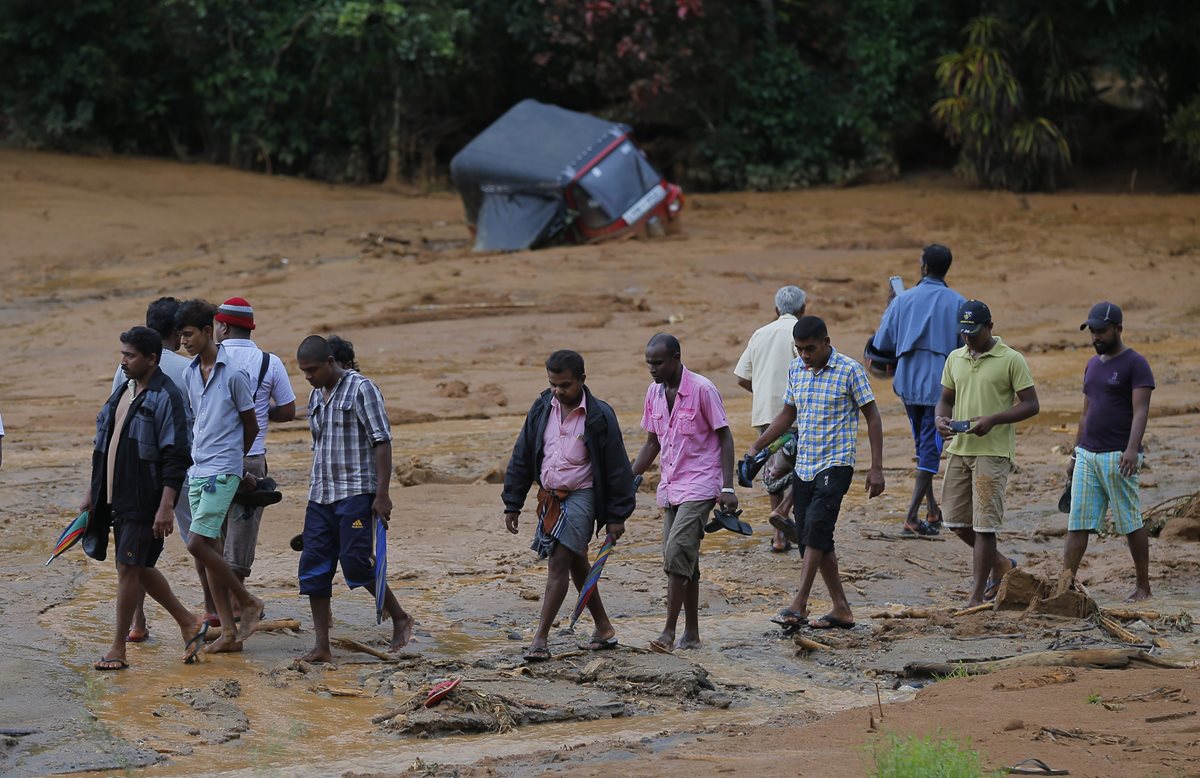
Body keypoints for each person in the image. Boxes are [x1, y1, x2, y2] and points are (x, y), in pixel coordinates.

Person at [748, 316, 885, 630]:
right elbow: (787, 414)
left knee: (817, 530)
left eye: (810, 349)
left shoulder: (850, 370)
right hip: (805, 466)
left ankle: (799, 603)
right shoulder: (796, 369)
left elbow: (873, 417)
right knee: (815, 538)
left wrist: (876, 468)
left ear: (826, 341)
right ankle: (841, 608)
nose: (805, 355)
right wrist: (757, 446)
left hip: (836, 464)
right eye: (799, 350)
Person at [82, 327, 206, 670]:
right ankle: (188, 621)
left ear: (152, 359)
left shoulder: (166, 397)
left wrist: (166, 505)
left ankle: (116, 648)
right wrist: (93, 491)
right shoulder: (125, 390)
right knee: (137, 565)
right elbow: (103, 445)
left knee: (127, 568)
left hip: (145, 497)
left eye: (130, 355)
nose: (123, 361)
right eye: (122, 354)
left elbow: (177, 456)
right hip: (118, 495)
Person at [502, 350, 638, 661]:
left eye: (565, 385)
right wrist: (512, 503)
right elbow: (522, 455)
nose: (558, 392)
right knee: (576, 560)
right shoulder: (541, 409)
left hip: (582, 495)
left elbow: (618, 468)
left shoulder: (599, 416)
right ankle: (604, 628)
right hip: (549, 496)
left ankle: (540, 638)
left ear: (581, 381)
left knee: (559, 560)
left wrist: (618, 516)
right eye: (553, 384)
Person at [294, 335, 413, 661]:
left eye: (313, 369)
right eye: (304, 371)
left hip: (356, 492)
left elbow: (382, 441)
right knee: (313, 568)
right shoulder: (315, 396)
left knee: (356, 561)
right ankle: (322, 646)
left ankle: (399, 617)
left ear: (331, 362)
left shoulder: (362, 389)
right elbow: (319, 446)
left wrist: (382, 494)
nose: (308, 376)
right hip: (321, 494)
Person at [109, 297, 213, 641]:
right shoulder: (186, 369)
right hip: (182, 471)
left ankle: (139, 624)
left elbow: (115, 425)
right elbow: (200, 419)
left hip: (145, 477)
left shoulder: (130, 371)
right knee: (196, 540)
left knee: (132, 558)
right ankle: (210, 610)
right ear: (175, 331)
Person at [631, 333, 738, 653]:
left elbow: (725, 437)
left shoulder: (703, 390)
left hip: (703, 484)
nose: (652, 369)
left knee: (676, 551)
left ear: (676, 358)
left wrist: (727, 486)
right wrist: (628, 479)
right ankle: (691, 633)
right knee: (683, 558)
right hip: (671, 484)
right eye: (648, 363)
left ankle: (667, 632)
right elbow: (652, 443)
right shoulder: (653, 392)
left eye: (658, 362)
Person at [935, 300, 1039, 607]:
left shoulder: (1011, 359)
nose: (968, 338)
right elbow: (945, 399)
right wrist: (939, 420)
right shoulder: (955, 358)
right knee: (954, 519)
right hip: (960, 447)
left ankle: (976, 595)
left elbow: (1031, 404)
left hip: (992, 452)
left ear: (990, 327)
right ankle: (1001, 564)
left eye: (975, 332)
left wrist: (993, 420)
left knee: (984, 525)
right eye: (964, 332)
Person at [177, 300, 265, 653]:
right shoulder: (188, 373)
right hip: (198, 469)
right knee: (208, 550)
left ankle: (247, 601)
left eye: (189, 334)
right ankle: (229, 634)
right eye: (181, 336)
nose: (184, 342)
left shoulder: (233, 375)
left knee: (196, 542)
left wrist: (235, 464)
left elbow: (251, 424)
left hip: (222, 470)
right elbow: (198, 422)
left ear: (208, 331)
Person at [1057, 302, 1154, 602]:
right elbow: (1085, 412)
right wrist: (1075, 454)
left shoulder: (1136, 364)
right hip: (1088, 454)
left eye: (1101, 330)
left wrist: (1132, 449)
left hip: (1118, 456)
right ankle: (1065, 584)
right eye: (1093, 331)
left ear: (1118, 329)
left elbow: (1141, 412)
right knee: (1078, 522)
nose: (1096, 336)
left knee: (1129, 521)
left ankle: (1143, 586)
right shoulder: (1093, 364)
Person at [872, 244, 966, 536]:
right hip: (941, 386)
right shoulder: (958, 302)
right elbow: (965, 348)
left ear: (924, 267)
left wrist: (893, 307)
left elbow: (882, 344)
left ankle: (932, 510)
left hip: (908, 381)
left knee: (923, 444)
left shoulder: (903, 301)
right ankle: (913, 516)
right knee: (930, 448)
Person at [213, 297, 296, 594]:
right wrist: (260, 412)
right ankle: (237, 601)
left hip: (212, 459)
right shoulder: (268, 362)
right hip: (251, 457)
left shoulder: (208, 360)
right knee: (241, 536)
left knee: (213, 534)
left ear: (222, 326)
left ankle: (221, 605)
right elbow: (288, 411)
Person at [734, 285, 807, 552]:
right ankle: (791, 520)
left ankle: (779, 537)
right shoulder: (803, 334)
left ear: (776, 310)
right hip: (798, 415)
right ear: (803, 310)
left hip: (766, 415)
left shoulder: (759, 334)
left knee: (773, 471)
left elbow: (742, 377)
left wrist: (762, 393)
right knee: (803, 469)